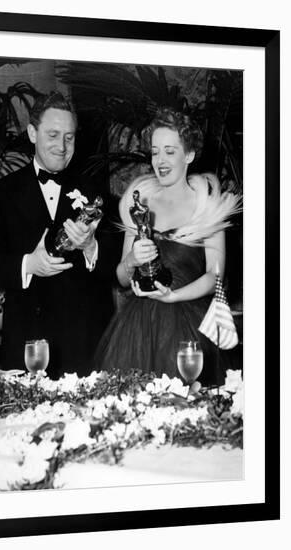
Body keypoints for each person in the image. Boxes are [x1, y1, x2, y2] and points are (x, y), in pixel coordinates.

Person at [0, 91, 121, 379]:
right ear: (32, 133)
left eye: (69, 137)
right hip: (29, 344)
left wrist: (91, 247)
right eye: (53, 134)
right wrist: (29, 264)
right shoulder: (3, 192)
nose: (62, 146)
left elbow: (118, 269)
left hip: (86, 345)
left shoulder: (97, 193)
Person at [94, 108, 241, 385]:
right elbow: (121, 277)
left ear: (189, 155)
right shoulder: (138, 201)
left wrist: (175, 296)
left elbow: (215, 276)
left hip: (191, 326)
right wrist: (131, 262)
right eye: (155, 151)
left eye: (170, 151)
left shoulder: (207, 203)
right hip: (137, 330)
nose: (160, 160)